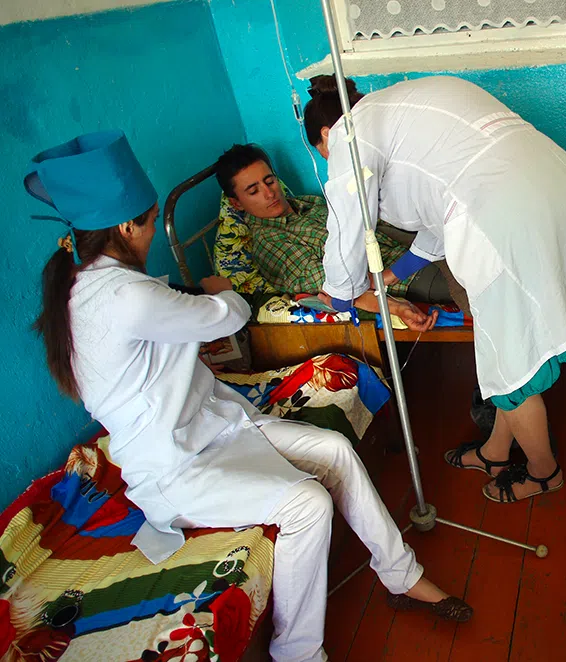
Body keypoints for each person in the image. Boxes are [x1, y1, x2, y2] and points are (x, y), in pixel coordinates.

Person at [25, 131, 471, 662]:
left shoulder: (88, 287)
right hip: (176, 467)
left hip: (218, 428)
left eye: (269, 182)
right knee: (309, 504)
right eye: (150, 223)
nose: (150, 236)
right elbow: (231, 314)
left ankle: (401, 576)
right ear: (126, 227)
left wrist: (201, 298)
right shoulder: (128, 296)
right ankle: (297, 652)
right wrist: (221, 292)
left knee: (335, 451)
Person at [305, 75, 566, 504]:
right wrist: (390, 277)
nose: (330, 159)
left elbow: (346, 223)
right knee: (510, 357)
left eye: (324, 154)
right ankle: (495, 453)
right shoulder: (408, 103)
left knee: (510, 369)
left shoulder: (349, 133)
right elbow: (438, 208)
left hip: (506, 220)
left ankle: (543, 472)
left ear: (326, 135)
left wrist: (342, 293)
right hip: (562, 186)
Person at [213, 144, 458, 311]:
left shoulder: (310, 204)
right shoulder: (269, 241)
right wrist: (392, 297)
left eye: (270, 181)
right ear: (236, 203)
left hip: (411, 250)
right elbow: (335, 285)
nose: (269, 193)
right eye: (253, 191)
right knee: (473, 280)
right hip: (407, 278)